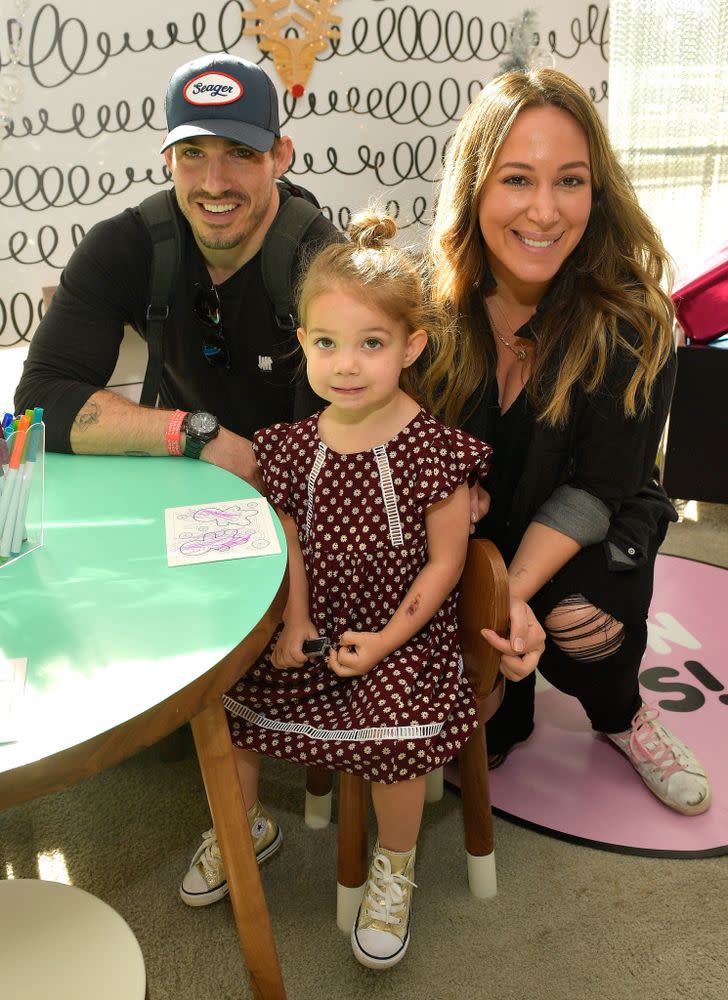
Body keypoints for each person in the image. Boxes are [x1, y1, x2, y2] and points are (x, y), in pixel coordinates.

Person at [179, 210, 493, 970]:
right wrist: (294, 621)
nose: (345, 364)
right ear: (303, 345)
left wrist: (387, 639)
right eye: (326, 343)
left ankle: (397, 861)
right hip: (312, 624)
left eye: (371, 344)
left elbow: (445, 566)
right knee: (227, 695)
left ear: (412, 346)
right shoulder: (292, 446)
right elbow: (287, 538)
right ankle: (242, 823)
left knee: (396, 735)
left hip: (403, 639)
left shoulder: (435, 452)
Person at [427, 68, 711, 816]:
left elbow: (596, 489)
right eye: (517, 178)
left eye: (571, 181)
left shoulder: (632, 317)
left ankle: (623, 715)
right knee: (484, 743)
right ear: (476, 188)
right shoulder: (427, 312)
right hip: (477, 529)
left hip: (593, 514)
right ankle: (510, 700)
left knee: (585, 625)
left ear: (599, 189)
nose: (546, 212)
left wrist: (504, 603)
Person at [14, 52, 342, 482]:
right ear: (168, 159)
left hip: (302, 506)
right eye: (192, 153)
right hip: (178, 498)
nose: (214, 182)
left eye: (240, 152)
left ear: (280, 157)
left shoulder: (323, 261)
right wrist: (194, 434)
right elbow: (41, 399)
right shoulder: (126, 245)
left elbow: (356, 438)